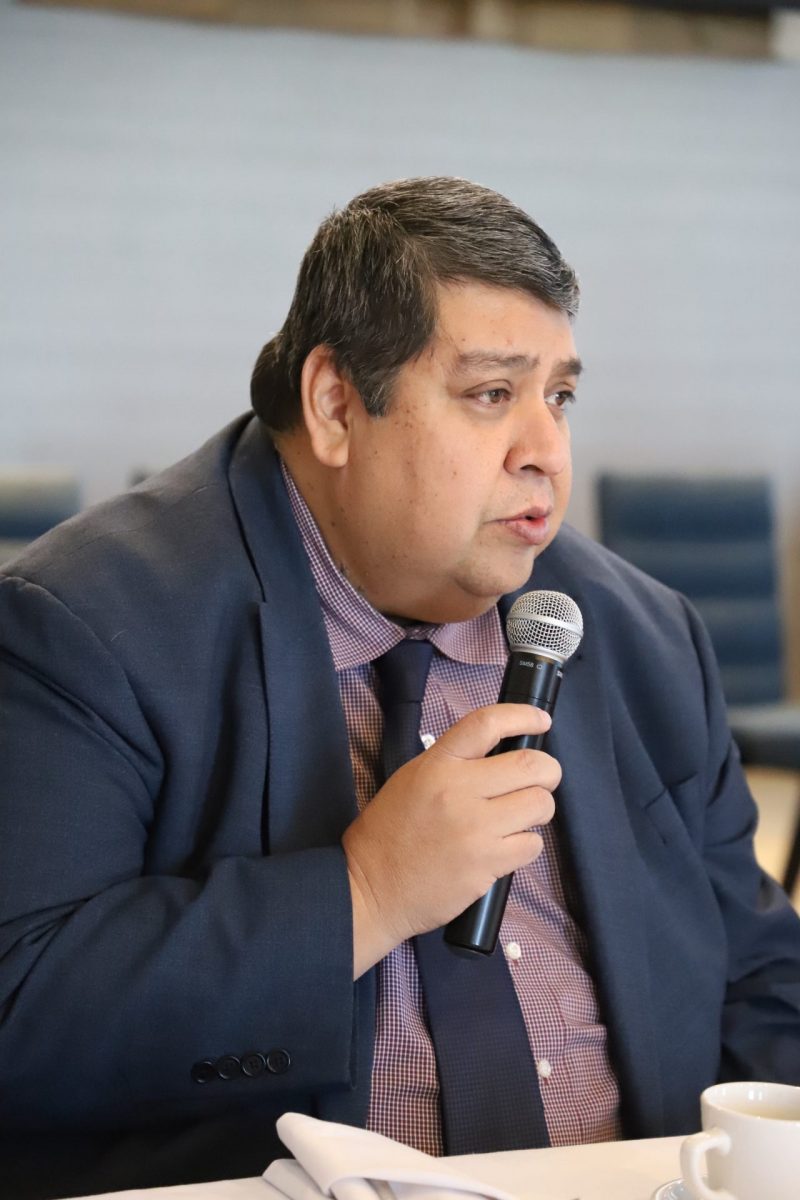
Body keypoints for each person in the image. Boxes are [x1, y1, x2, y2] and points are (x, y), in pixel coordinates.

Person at [0, 177, 798, 1200]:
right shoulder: (87, 624)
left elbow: (761, 982)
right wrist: (364, 894)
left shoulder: (644, 636)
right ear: (337, 405)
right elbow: (22, 1014)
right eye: (491, 394)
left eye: (557, 397)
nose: (546, 454)